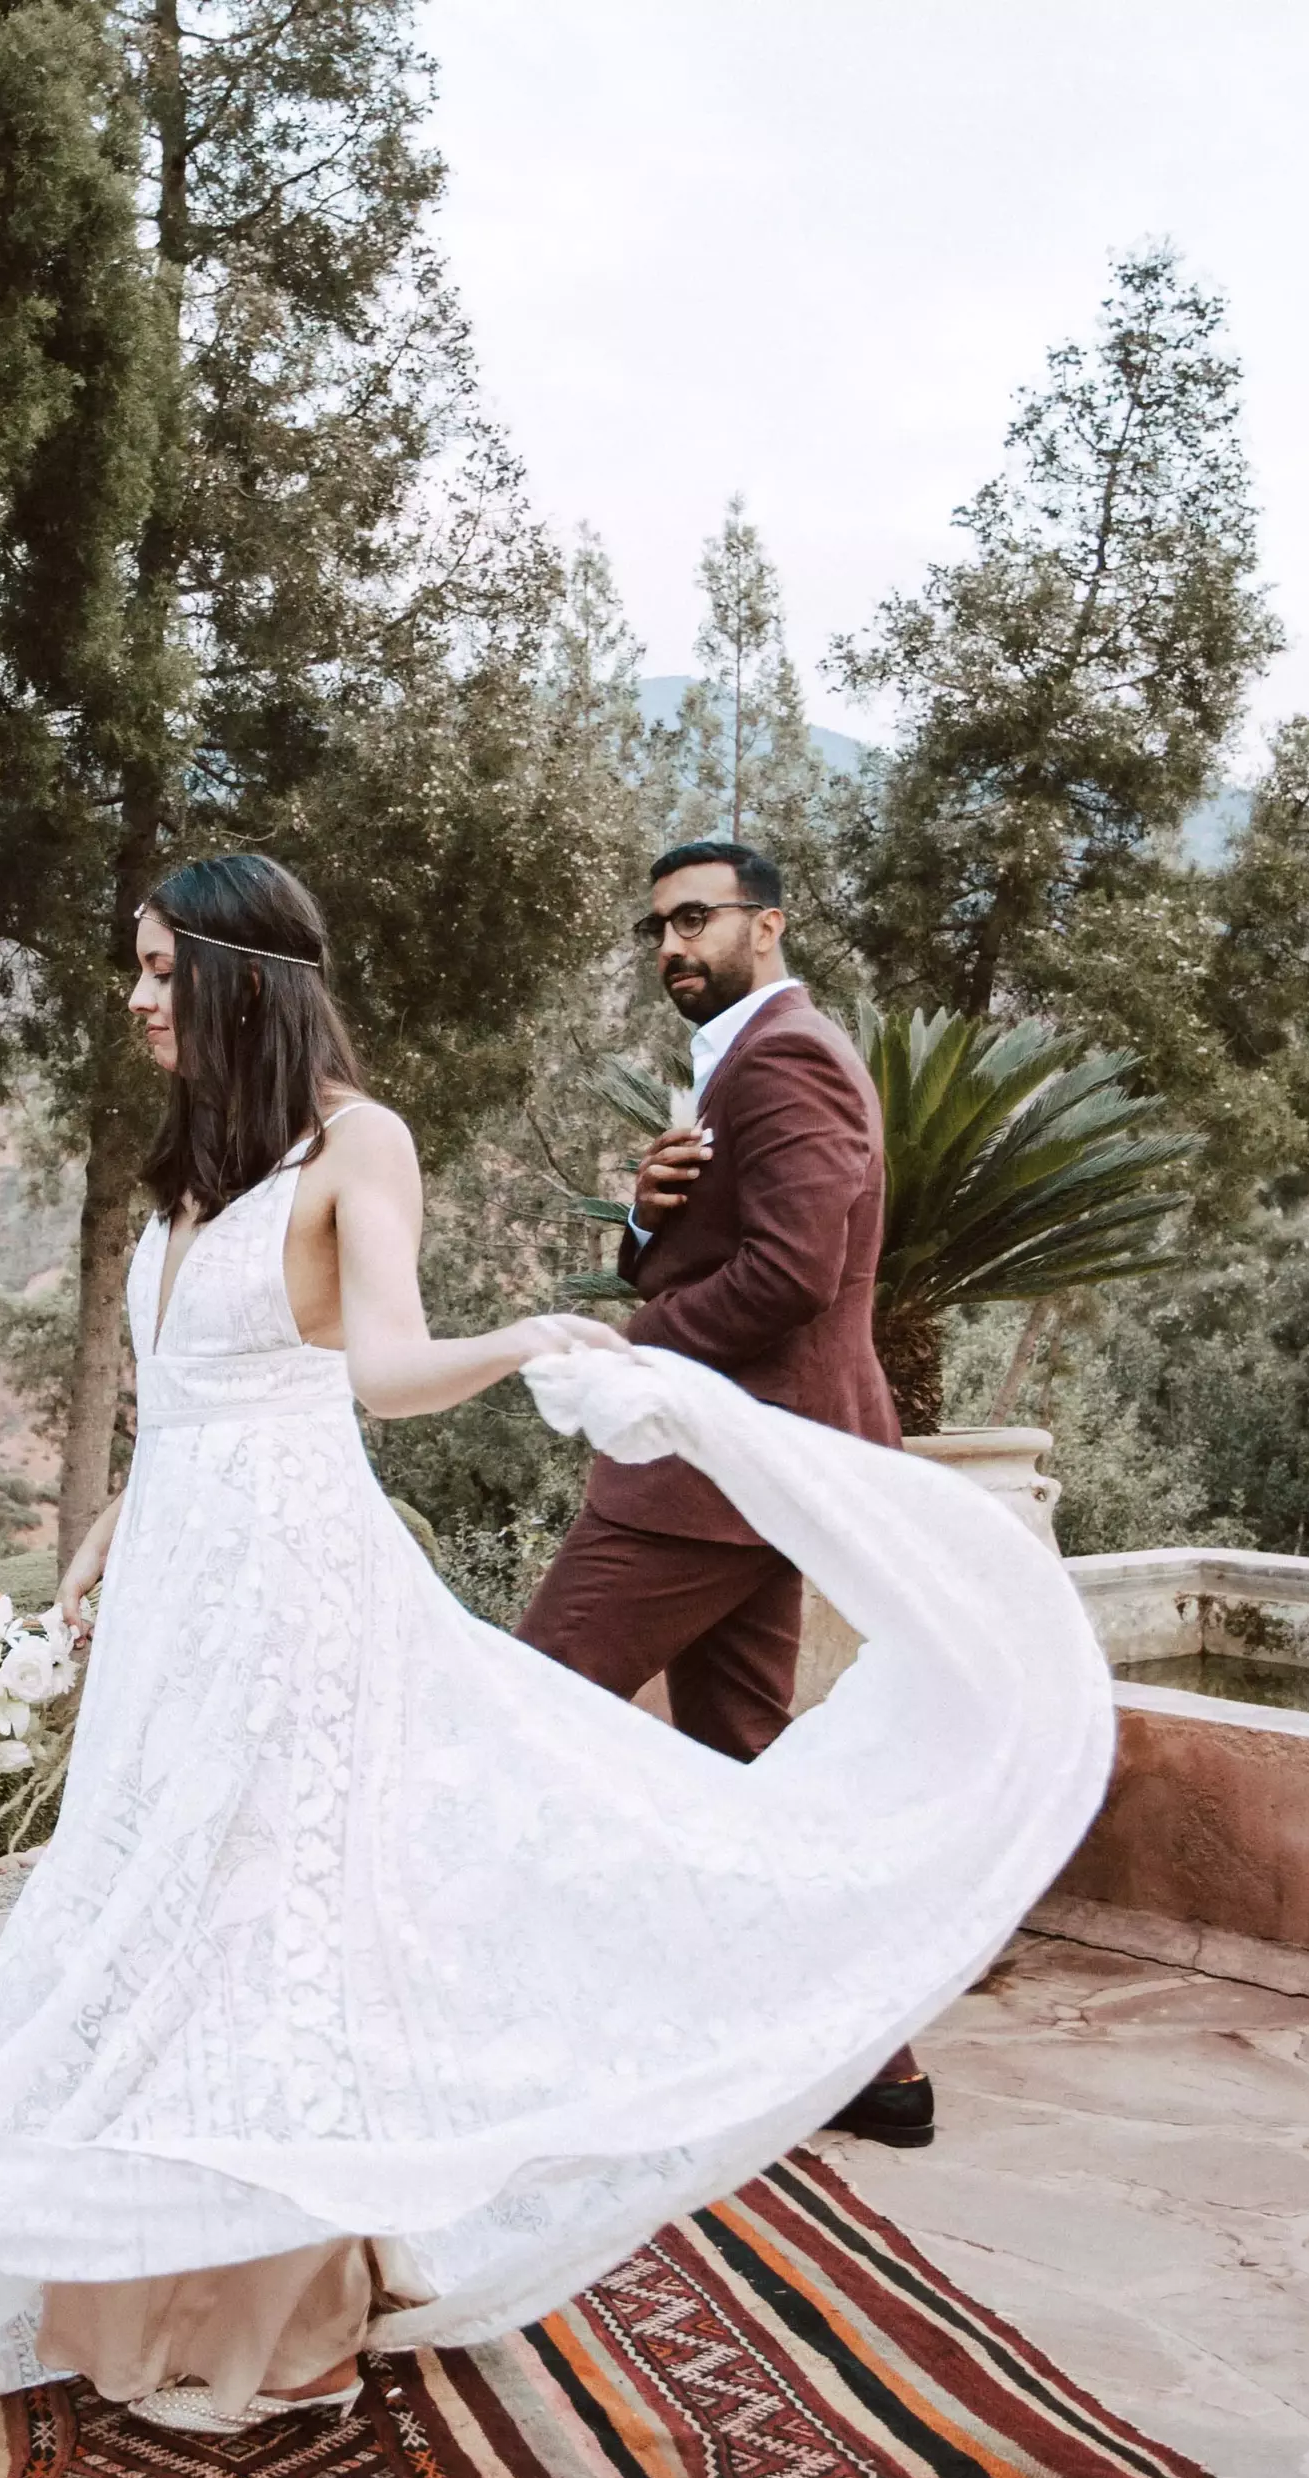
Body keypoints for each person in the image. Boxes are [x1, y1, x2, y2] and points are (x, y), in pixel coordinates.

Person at [0, 851, 1111, 2439]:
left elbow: (379, 1371)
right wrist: (105, 1536)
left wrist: (522, 1341)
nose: (138, 997)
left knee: (269, 1906)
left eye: (162, 970)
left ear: (244, 978)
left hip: (297, 1583)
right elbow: (181, 1391)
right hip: (181, 1580)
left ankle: (288, 2277)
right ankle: (156, 2264)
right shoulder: (198, 1166)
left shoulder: (357, 1142)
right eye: (137, 969)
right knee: (162, 1909)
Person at [513, 838, 936, 2149]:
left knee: (530, 1714)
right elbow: (717, 1244)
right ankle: (876, 2067)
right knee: (742, 1755)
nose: (671, 949)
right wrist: (643, 1217)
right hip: (762, 1466)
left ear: (770, 926)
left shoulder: (790, 1056)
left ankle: (509, 2034)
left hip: (712, 1474)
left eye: (695, 920)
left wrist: (631, 1349)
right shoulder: (738, 1064)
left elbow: (798, 1271)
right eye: (656, 930)